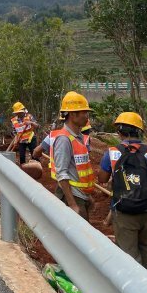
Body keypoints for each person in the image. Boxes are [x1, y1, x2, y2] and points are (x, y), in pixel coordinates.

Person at [97, 112, 147, 274]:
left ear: (120, 131)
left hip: (124, 212)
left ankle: (135, 290)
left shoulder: (112, 152)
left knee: (129, 253)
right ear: (139, 131)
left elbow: (102, 178)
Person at [49, 91, 95, 220]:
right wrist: (73, 204)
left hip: (81, 195)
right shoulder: (64, 139)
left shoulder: (79, 138)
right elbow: (61, 174)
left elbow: (77, 169)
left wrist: (87, 196)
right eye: (84, 113)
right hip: (73, 197)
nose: (87, 117)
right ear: (73, 114)